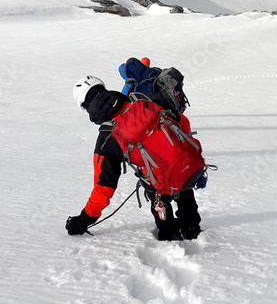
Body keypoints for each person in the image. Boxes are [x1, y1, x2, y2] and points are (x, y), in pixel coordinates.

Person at [65, 75, 203, 241]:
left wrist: (83, 220)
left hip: (158, 183)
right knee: (184, 192)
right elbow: (182, 121)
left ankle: (170, 240)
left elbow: (104, 187)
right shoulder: (144, 100)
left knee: (161, 205)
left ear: (86, 107)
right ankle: (193, 231)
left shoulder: (107, 138)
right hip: (187, 166)